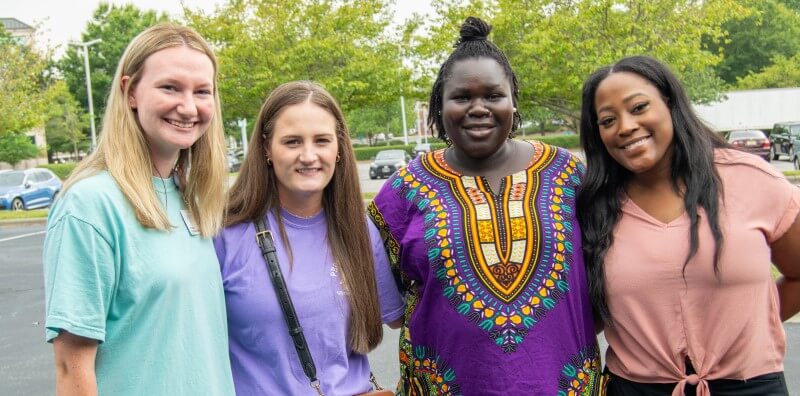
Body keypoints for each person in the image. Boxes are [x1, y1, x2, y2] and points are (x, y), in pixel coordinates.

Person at [368, 17, 599, 395]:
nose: (478, 108)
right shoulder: (404, 190)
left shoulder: (570, 176)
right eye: (462, 97)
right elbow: (387, 304)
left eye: (493, 95)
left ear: (513, 101)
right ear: (439, 106)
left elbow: (605, 278)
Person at [577, 55, 800, 395]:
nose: (625, 126)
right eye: (607, 120)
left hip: (751, 386)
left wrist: (748, 328)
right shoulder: (594, 206)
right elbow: (585, 314)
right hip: (636, 388)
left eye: (638, 108)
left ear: (670, 103)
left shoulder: (750, 179)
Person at [43, 23, 234, 395]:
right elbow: (71, 370)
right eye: (170, 87)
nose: (188, 106)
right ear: (130, 92)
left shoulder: (192, 198)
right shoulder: (90, 205)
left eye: (202, 91)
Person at [214, 81, 404, 395]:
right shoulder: (224, 234)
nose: (308, 155)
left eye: (322, 140)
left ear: (339, 148)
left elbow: (405, 321)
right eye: (291, 141)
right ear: (266, 149)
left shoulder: (358, 227)